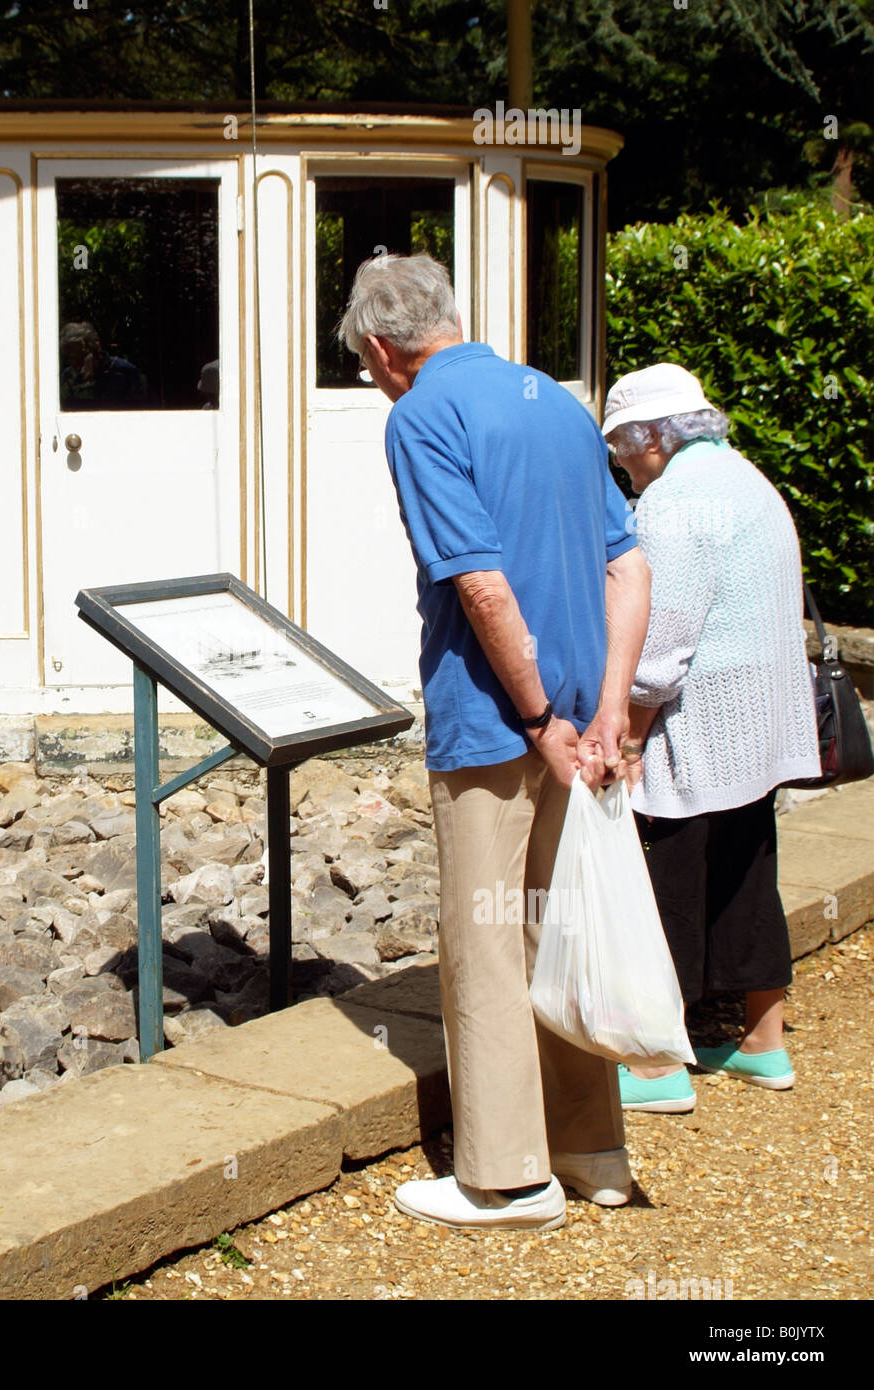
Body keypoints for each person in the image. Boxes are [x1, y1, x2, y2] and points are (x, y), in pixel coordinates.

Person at [338, 253, 652, 1231]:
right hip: (581, 721)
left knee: (485, 939)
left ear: (386, 347)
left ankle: (507, 1175)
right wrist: (606, 712)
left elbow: (477, 582)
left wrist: (536, 720)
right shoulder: (559, 403)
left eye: (366, 363)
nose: (374, 377)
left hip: (497, 722)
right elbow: (629, 564)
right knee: (559, 927)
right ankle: (593, 1148)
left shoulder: (421, 412)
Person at [604, 364, 821, 1112]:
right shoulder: (747, 479)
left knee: (668, 883)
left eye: (622, 449)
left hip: (699, 726)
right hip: (761, 721)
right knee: (747, 871)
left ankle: (659, 1065)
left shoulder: (672, 505)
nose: (622, 465)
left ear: (651, 438)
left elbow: (657, 654)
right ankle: (764, 1044)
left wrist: (625, 743)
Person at [59, 321, 149, 406]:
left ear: (95, 351)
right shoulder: (68, 377)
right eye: (70, 359)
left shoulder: (125, 373)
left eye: (80, 359)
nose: (76, 367)